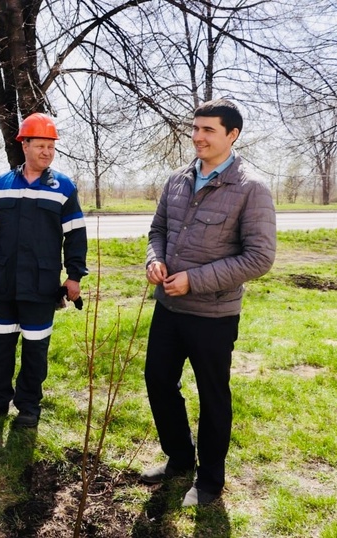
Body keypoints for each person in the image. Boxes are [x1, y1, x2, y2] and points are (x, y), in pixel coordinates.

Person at [141, 98, 276, 507]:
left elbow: (260, 257)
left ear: (232, 135)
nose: (198, 136)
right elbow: (158, 229)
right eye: (196, 129)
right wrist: (155, 259)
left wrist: (195, 280)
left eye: (208, 130)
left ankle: (210, 482)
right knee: (158, 382)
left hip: (213, 316)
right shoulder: (177, 180)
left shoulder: (250, 188)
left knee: (212, 395)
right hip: (168, 309)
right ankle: (179, 459)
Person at [0, 112, 88, 428]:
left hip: (42, 284)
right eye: (40, 146)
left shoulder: (64, 188)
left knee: (35, 348)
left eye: (51, 147)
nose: (46, 152)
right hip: (4, 283)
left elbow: (76, 234)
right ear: (24, 145)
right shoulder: (1, 185)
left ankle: (28, 407)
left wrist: (75, 275)